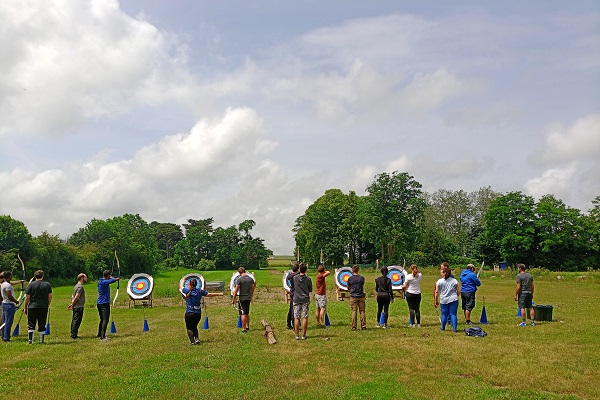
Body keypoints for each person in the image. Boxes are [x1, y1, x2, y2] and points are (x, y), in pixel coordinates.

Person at [181, 277, 222, 345]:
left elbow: (181, 286)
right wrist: (219, 294)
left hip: (189, 312)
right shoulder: (200, 291)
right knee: (194, 326)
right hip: (198, 313)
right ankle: (197, 339)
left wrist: (184, 279)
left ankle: (192, 342)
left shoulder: (187, 291)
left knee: (189, 328)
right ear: (196, 284)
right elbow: (209, 294)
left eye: (188, 284)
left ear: (190, 285)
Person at [23, 270, 52, 344]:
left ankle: (30, 340)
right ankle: (41, 340)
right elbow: (50, 297)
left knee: (31, 324)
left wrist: (25, 307)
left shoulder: (31, 285)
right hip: (43, 307)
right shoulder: (47, 284)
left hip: (32, 306)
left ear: (35, 276)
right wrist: (47, 305)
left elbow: (27, 298)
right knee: (42, 323)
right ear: (43, 276)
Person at [434, 262, 460, 332]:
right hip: (453, 299)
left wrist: (436, 300)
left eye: (441, 272)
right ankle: (455, 329)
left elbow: (436, 292)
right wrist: (456, 295)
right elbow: (458, 291)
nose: (440, 273)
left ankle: (443, 328)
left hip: (444, 299)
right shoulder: (454, 281)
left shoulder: (439, 281)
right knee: (453, 314)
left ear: (445, 273)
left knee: (444, 315)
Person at [96, 270, 120, 341]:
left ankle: (99, 334)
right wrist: (116, 279)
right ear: (108, 276)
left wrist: (111, 277)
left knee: (102, 319)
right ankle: (102, 337)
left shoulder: (100, 280)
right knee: (105, 320)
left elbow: (109, 280)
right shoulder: (104, 282)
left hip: (99, 303)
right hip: (104, 304)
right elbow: (111, 281)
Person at [231, 267, 256, 333]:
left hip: (242, 298)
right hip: (248, 298)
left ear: (239, 273)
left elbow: (236, 290)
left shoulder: (239, 279)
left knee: (243, 313)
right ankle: (247, 326)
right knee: (247, 312)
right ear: (245, 271)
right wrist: (251, 296)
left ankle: (244, 328)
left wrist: (233, 298)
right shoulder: (251, 279)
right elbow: (253, 288)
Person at [292, 263, 312, 340]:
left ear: (299, 269)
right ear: (306, 270)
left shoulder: (295, 278)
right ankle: (303, 335)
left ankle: (297, 335)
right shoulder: (308, 279)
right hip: (305, 299)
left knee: (296, 317)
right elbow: (310, 289)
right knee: (305, 317)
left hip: (296, 299)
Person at [1, 271, 20, 342]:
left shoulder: (3, 284)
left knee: (4, 321)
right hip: (9, 304)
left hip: (5, 303)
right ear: (9, 276)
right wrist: (16, 301)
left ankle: (3, 336)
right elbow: (9, 295)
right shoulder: (7, 285)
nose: (11, 277)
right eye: (11, 276)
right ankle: (6, 337)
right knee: (8, 321)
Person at [67, 273, 87, 339]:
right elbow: (76, 297)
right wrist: (72, 305)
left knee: (75, 320)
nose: (86, 279)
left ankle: (74, 334)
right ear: (81, 278)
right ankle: (74, 335)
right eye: (85, 277)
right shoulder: (80, 287)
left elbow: (73, 297)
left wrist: (72, 304)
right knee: (77, 321)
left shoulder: (76, 286)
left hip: (76, 306)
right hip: (78, 307)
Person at [347, 265, 366, 330]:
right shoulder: (362, 278)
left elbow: (348, 287)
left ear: (352, 270)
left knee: (354, 311)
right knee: (362, 311)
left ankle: (354, 326)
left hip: (353, 296)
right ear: (358, 270)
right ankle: (363, 326)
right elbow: (362, 284)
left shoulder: (350, 278)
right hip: (361, 296)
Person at [314, 264, 330, 328]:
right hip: (321, 295)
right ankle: (323, 323)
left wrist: (323, 270)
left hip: (317, 295)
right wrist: (324, 271)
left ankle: (318, 322)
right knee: (322, 309)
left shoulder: (318, 275)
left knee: (318, 309)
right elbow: (328, 272)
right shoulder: (321, 276)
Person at [286, 262, 300, 329]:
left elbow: (289, 276)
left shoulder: (290, 275)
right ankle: (294, 325)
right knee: (294, 309)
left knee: (291, 308)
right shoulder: (295, 275)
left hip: (292, 293)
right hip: (295, 293)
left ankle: (289, 324)